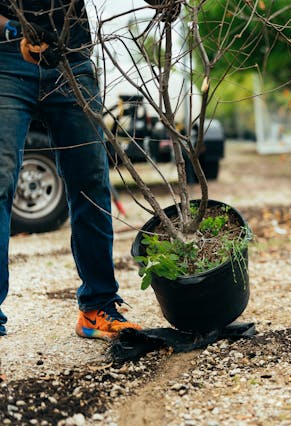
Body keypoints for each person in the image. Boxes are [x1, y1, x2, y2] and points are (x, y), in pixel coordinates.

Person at [0, 0, 178, 339]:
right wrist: (14, 28)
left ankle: (98, 307)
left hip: (71, 54)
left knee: (91, 182)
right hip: (6, 59)